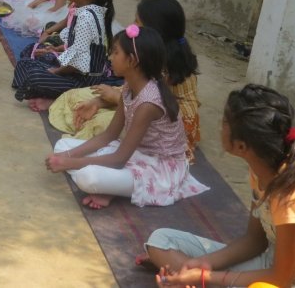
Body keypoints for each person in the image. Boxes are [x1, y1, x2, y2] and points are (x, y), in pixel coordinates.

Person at [146, 84, 295, 287]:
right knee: (160, 241)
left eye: (225, 122)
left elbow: (281, 278)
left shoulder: (289, 194)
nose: (220, 126)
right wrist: (202, 264)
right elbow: (255, 241)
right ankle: (188, 281)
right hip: (271, 260)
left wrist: (204, 277)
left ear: (242, 146)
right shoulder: (261, 169)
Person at [45, 26, 208, 209]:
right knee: (63, 145)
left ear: (132, 61)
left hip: (159, 168)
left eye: (115, 53)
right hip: (135, 154)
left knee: (87, 178)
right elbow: (109, 136)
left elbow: (118, 160)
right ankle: (110, 187)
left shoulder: (148, 104)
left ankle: (111, 190)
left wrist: (70, 162)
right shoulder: (130, 86)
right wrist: (65, 156)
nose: (110, 57)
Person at [50, 0, 202, 162]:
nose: (132, 25)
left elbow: (149, 103)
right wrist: (101, 101)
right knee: (76, 97)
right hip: (135, 104)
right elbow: (133, 90)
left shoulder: (165, 65)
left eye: (137, 21)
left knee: (100, 124)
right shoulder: (143, 55)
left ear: (154, 30)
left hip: (158, 123)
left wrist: (114, 97)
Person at [12, 0, 115, 110]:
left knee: (34, 76)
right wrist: (54, 50)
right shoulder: (85, 11)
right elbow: (78, 48)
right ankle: (50, 94)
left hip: (83, 81)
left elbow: (76, 62)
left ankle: (57, 100)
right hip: (75, 73)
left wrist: (56, 71)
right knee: (26, 63)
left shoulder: (86, 17)